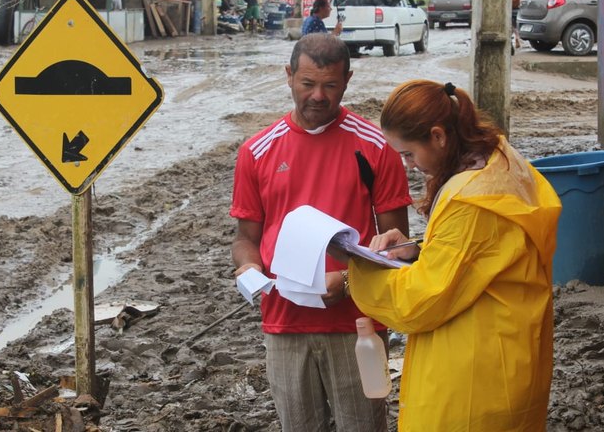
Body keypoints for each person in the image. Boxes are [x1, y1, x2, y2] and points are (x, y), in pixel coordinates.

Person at [346, 79, 562, 431]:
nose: (409, 166)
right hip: (511, 351)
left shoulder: (468, 200)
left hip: (474, 374)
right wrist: (418, 247)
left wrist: (357, 272)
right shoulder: (499, 159)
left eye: (409, 154)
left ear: (438, 136)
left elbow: (422, 300)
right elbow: (482, 250)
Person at [229, 33, 412, 431]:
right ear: (288, 76)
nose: (318, 96)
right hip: (283, 322)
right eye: (308, 84)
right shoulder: (257, 151)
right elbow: (246, 238)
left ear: (347, 81)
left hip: (357, 323)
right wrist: (247, 269)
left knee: (364, 425)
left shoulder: (376, 147)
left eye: (330, 86)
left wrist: (348, 280)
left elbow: (399, 248)